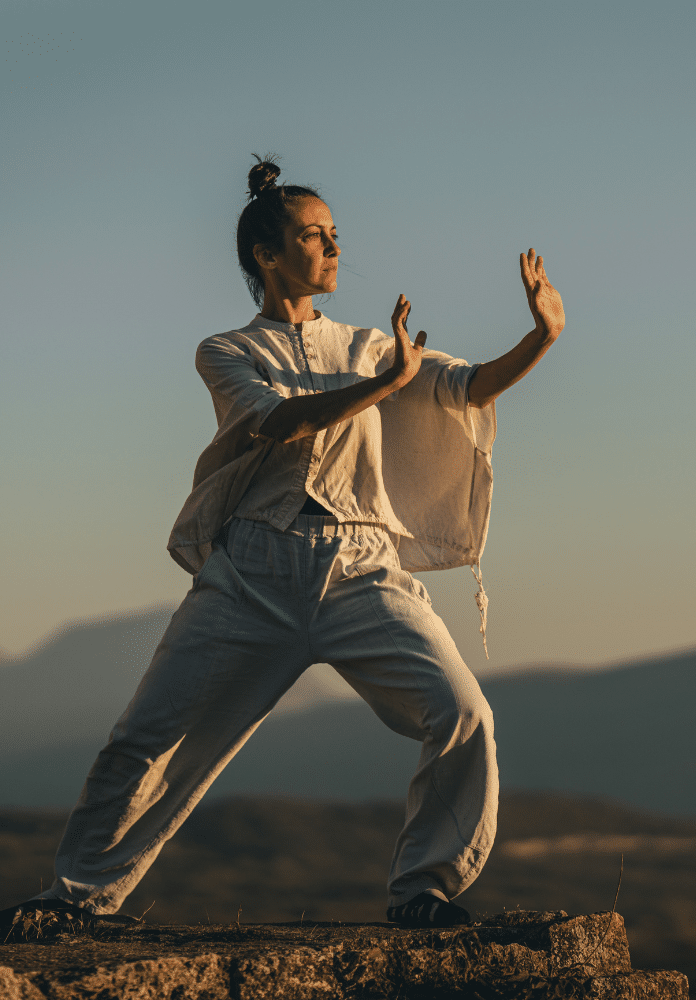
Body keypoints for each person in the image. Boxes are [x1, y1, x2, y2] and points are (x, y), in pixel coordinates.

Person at [0, 156, 564, 931]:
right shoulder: (228, 351)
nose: (332, 248)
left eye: (334, 235)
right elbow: (278, 422)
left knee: (462, 713)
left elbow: (469, 387)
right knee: (147, 740)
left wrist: (542, 336)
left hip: (363, 568)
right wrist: (384, 387)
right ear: (267, 256)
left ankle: (424, 890)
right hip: (253, 572)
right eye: (312, 236)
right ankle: (76, 898)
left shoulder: (372, 345)